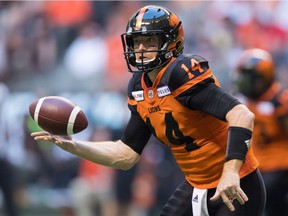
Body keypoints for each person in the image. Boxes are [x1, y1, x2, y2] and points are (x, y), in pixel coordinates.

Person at [31, 5, 266, 216]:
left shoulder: (181, 73)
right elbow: (125, 154)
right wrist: (74, 145)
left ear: (170, 43)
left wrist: (230, 173)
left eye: (150, 41)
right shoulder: (138, 87)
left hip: (237, 183)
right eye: (136, 42)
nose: (141, 48)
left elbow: (241, 115)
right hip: (197, 184)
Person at [234, 48, 288, 216]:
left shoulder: (280, 101)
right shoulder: (241, 101)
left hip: (279, 165)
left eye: (249, 76)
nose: (244, 81)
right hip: (255, 167)